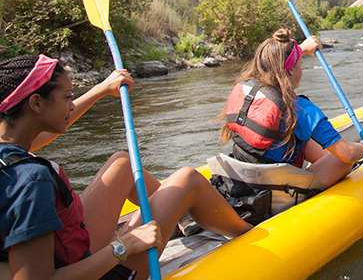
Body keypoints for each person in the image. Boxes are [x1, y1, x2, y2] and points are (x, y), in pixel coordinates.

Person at [0, 55, 252, 280]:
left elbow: (40, 137)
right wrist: (123, 246)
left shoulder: (9, 145)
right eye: (67, 98)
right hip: (92, 272)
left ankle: (183, 218)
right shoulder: (31, 181)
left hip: (68, 247)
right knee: (188, 179)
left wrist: (101, 90)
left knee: (123, 163)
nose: (72, 105)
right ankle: (250, 230)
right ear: (35, 103)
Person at [219, 29, 363, 189]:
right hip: (275, 191)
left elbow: (277, 60)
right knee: (344, 159)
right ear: (290, 70)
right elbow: (348, 153)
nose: (301, 70)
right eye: (300, 65)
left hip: (245, 177)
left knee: (300, 138)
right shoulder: (300, 109)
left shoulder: (247, 89)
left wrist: (302, 48)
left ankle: (327, 162)